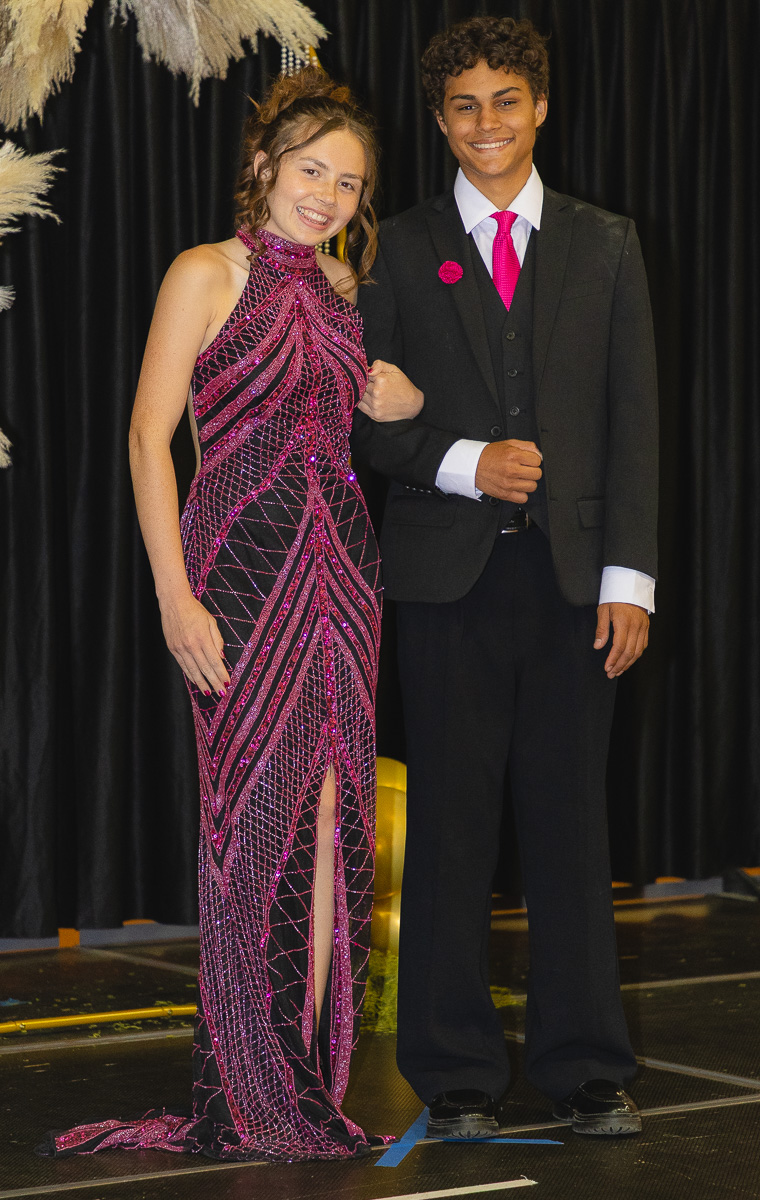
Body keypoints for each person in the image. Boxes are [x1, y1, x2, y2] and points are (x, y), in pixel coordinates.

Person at [43, 68, 419, 1162]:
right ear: (262, 166)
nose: (330, 196)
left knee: (332, 821)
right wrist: (172, 594)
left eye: (348, 183)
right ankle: (248, 1089)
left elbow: (349, 414)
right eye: (312, 171)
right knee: (251, 822)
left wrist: (398, 398)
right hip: (240, 567)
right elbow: (146, 435)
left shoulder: (348, 290)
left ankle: (301, 1084)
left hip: (344, 569)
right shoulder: (206, 272)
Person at [353, 15, 658, 1138]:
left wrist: (629, 577)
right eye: (464, 105)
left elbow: (633, 424)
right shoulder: (392, 247)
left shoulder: (605, 243)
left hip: (579, 587)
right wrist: (462, 461)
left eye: (506, 101)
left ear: (539, 108)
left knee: (572, 825)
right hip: (443, 584)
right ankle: (456, 1078)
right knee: (447, 828)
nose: (487, 123)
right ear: (440, 119)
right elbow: (366, 428)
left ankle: (588, 1071)